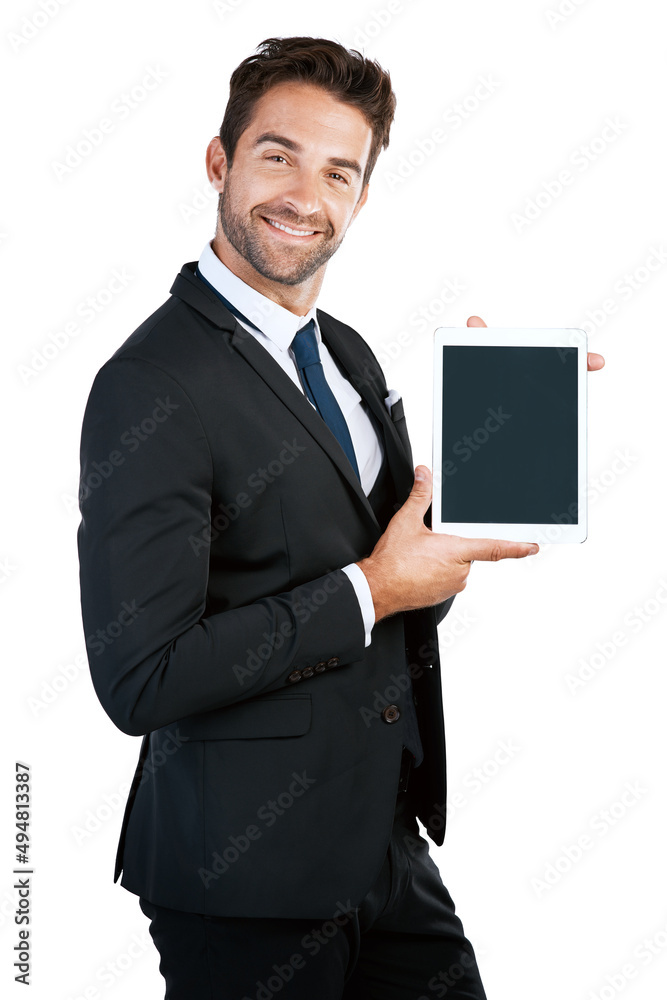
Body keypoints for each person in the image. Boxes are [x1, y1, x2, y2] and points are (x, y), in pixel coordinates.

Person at [76, 35, 604, 999]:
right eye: (277, 155)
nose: (303, 195)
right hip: (243, 880)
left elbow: (397, 579)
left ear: (360, 196)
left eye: (338, 171)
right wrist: (372, 588)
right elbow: (138, 677)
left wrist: (499, 436)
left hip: (382, 847)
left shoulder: (350, 357)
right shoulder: (149, 385)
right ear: (219, 162)